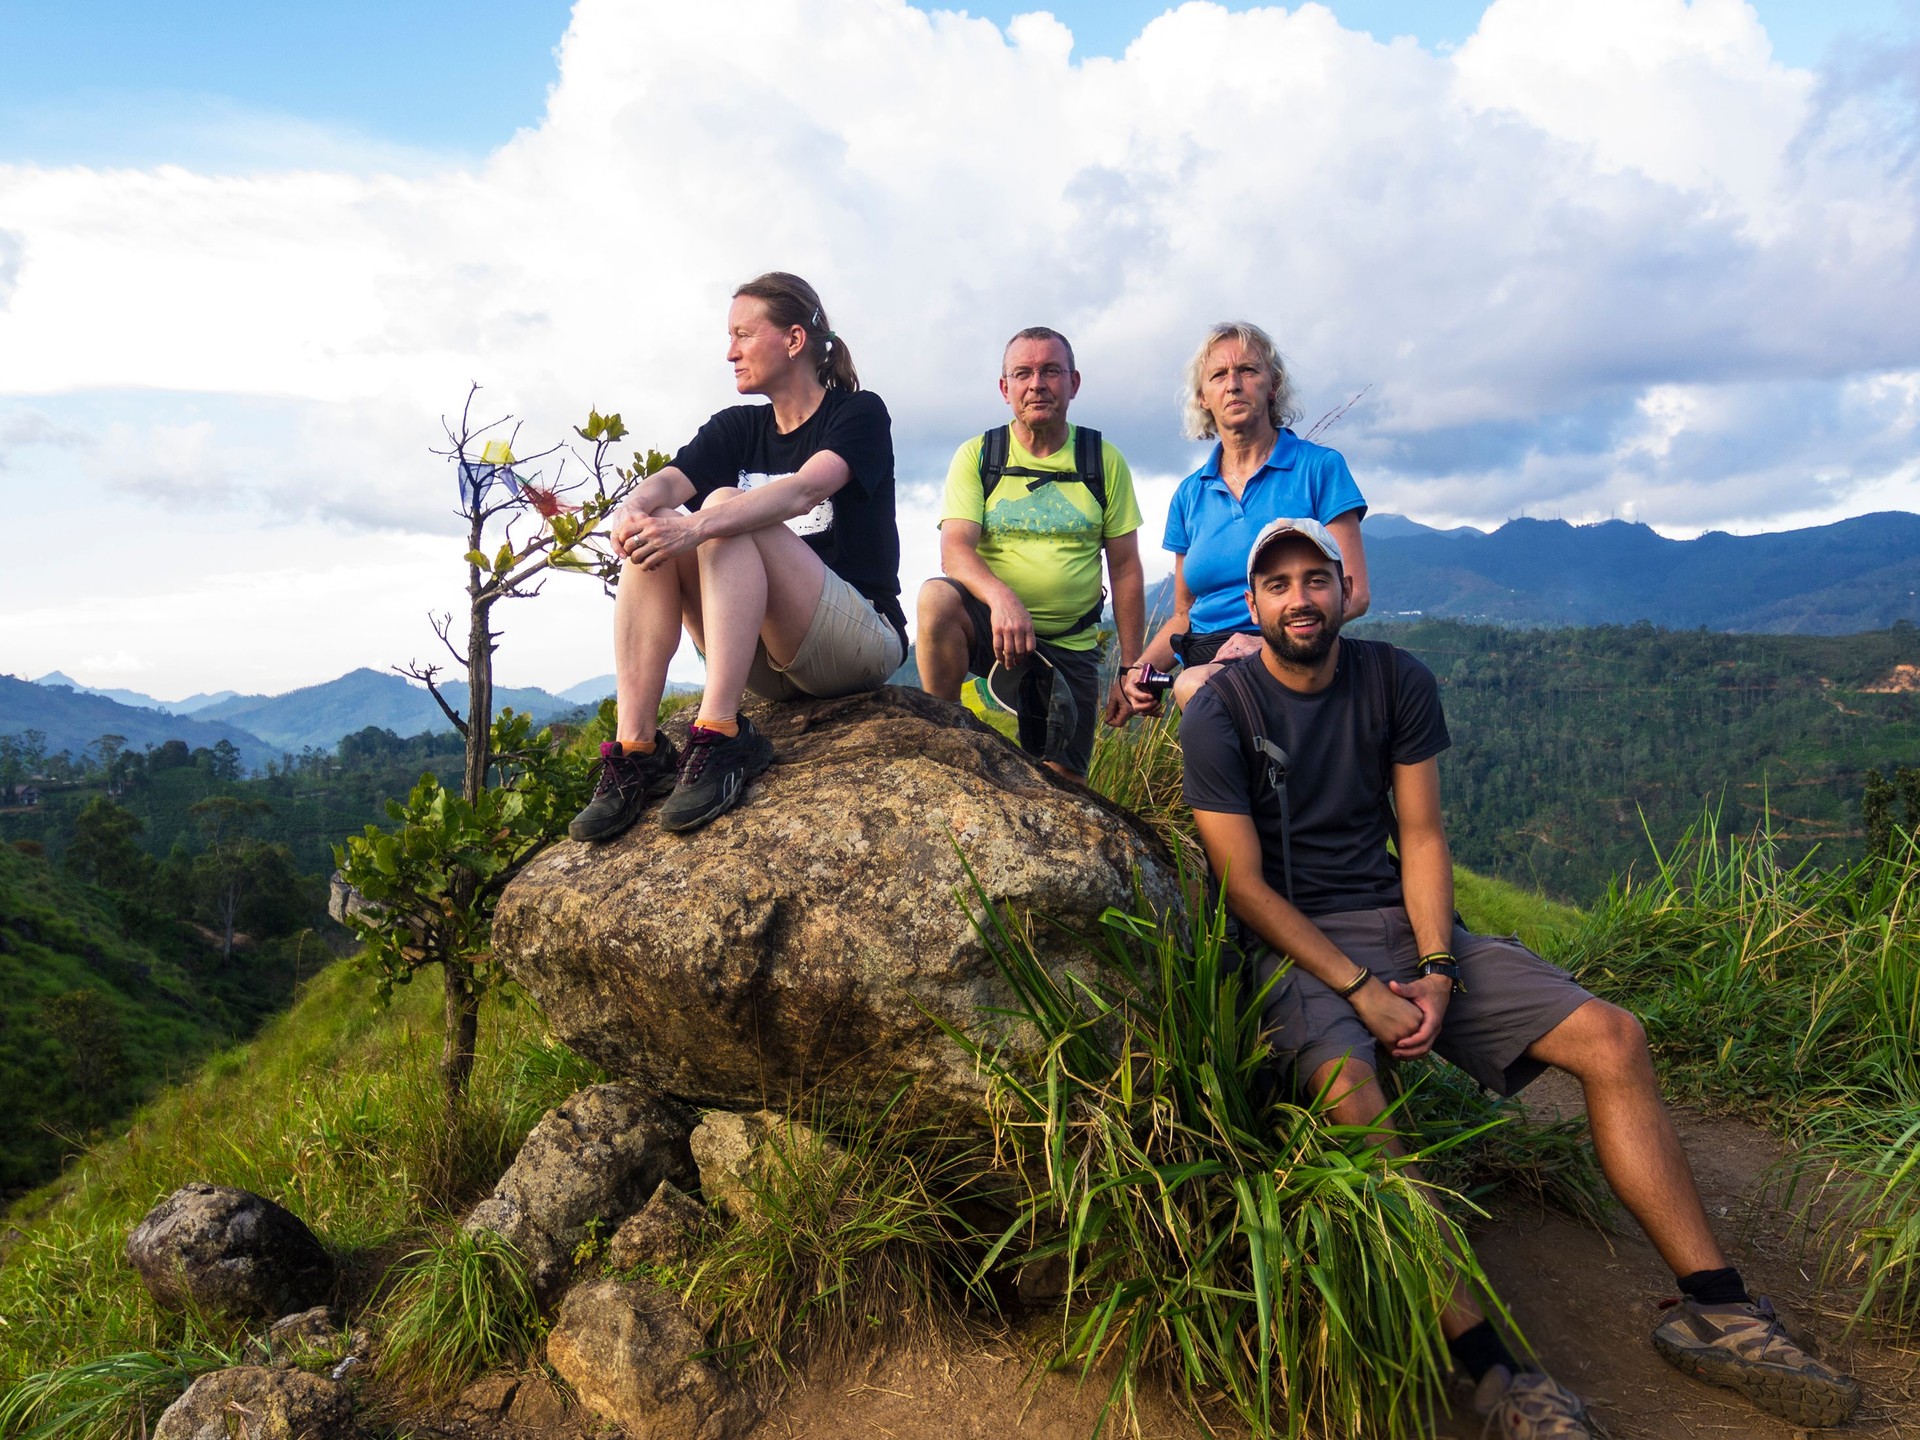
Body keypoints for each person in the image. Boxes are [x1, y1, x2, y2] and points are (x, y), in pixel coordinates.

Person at [1179, 516, 1861, 1438]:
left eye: (1315, 579)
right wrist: (1358, 989)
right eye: (1279, 585)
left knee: (1613, 1037)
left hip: (1403, 922)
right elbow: (1242, 884)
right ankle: (1496, 1373)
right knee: (1349, 1092)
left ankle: (1719, 1306)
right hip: (1298, 948)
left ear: (1344, 589)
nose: (1300, 599)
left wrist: (1436, 970)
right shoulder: (1223, 711)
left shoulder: (1395, 680)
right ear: (1251, 604)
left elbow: (1420, 835)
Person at [568, 272, 906, 840]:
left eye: (744, 335)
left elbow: (804, 491)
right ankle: (637, 750)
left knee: (723, 507)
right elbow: (666, 485)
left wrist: (699, 524)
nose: (730, 353)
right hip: (768, 664)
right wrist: (633, 513)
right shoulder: (737, 427)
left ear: (794, 340)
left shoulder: (859, 415)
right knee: (661, 527)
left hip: (856, 644)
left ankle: (720, 733)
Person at [916, 327, 1146, 777]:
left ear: (1073, 383)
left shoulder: (1103, 460)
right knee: (936, 599)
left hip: (1070, 646)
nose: (1036, 383)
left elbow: (1125, 569)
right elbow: (955, 551)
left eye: (1050, 371)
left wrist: (1131, 667)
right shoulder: (980, 455)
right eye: (1023, 373)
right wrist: (1002, 599)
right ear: (1005, 388)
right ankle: (940, 729)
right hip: (991, 634)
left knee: (1063, 789)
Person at [1123, 322, 1371, 717]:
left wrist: (1268, 647)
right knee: (1197, 683)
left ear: (1272, 385)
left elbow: (1353, 594)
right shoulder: (1190, 494)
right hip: (1205, 658)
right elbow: (1184, 615)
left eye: (1248, 371)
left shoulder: (1319, 469)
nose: (1233, 384)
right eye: (1218, 375)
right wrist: (1138, 671)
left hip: (1291, 648)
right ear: (1203, 397)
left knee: (1197, 687)